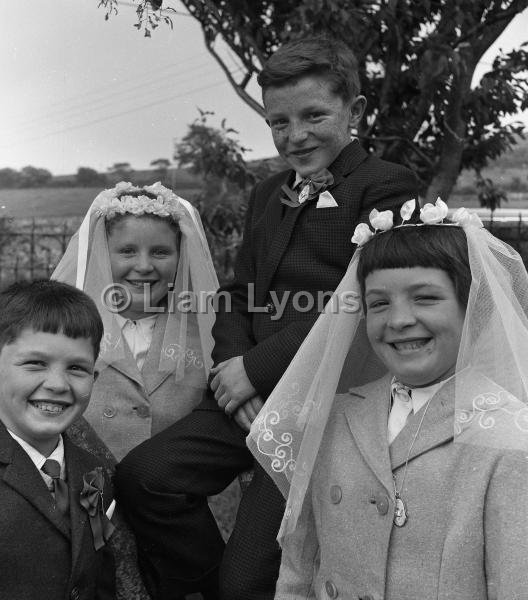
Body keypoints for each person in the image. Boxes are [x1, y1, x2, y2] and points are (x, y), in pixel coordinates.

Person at [115, 35, 419, 600]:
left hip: (327, 406)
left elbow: (361, 305)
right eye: (278, 122)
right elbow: (238, 292)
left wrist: (259, 368)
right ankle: (202, 586)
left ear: (355, 111)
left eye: (313, 115)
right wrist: (233, 368)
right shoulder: (267, 193)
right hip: (244, 394)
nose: (295, 135)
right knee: (145, 479)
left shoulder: (388, 187)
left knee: (250, 577)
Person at [248, 200, 528, 599]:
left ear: (473, 308)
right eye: (379, 303)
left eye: (425, 297)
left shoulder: (510, 439)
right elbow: (301, 564)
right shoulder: (337, 416)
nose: (398, 320)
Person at [0, 280, 116, 600]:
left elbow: (98, 574)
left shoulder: (94, 473)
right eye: (35, 363)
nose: (58, 384)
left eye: (76, 368)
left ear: (94, 379)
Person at [52, 181, 218, 461]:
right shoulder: (68, 331)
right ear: (103, 254)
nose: (143, 266)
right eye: (127, 251)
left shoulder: (205, 333)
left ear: (181, 257)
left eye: (160, 252)